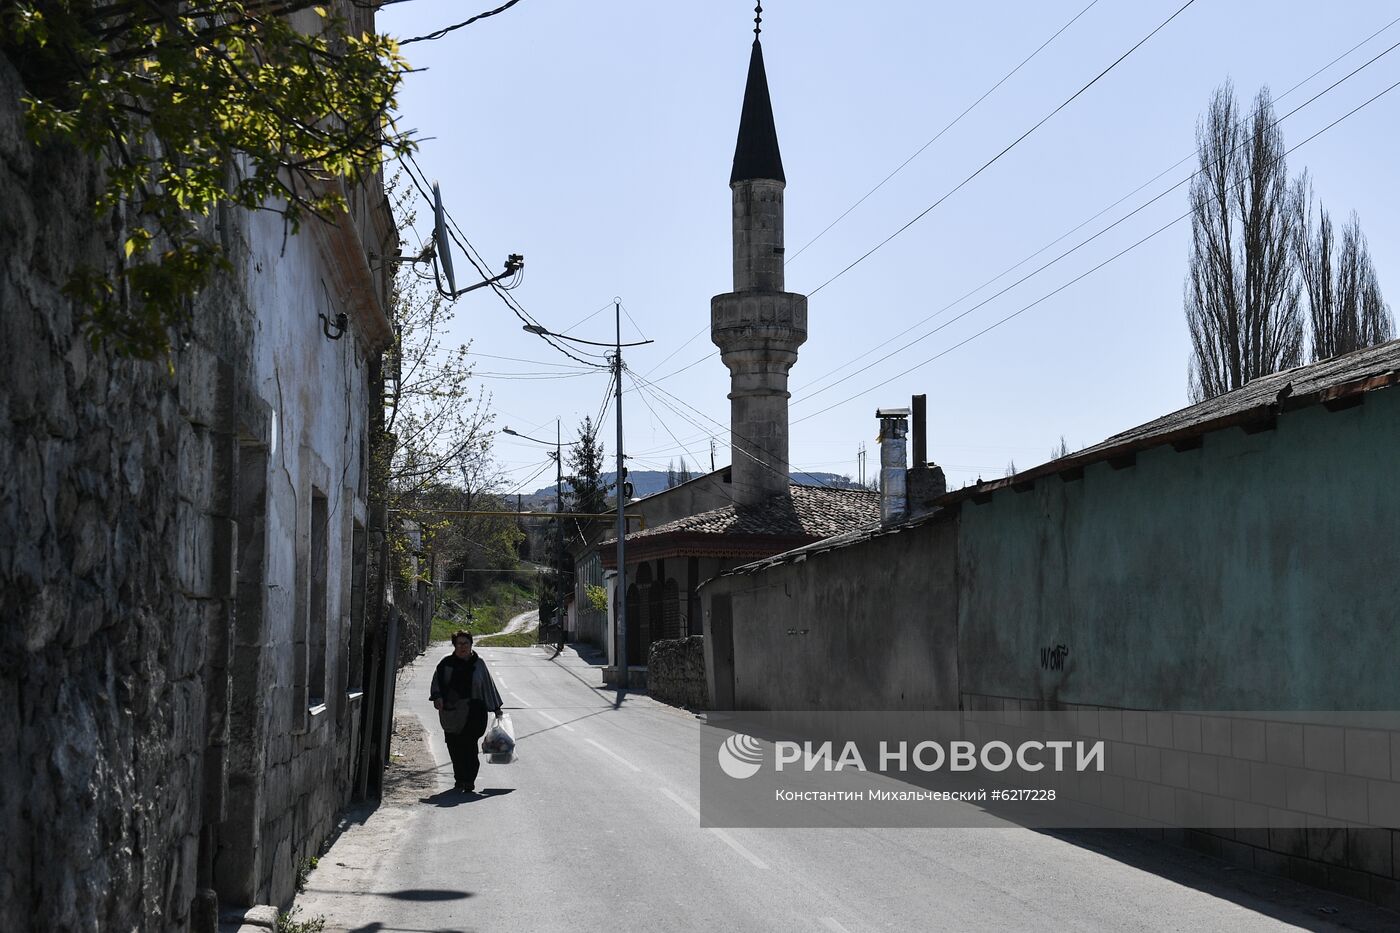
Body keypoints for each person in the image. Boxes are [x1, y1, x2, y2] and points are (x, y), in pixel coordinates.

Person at [429, 631, 503, 792]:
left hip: (475, 712)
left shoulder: (479, 664)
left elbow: (488, 686)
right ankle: (459, 779)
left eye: (466, 643)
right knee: (454, 746)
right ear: (454, 645)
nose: (462, 647)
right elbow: (437, 683)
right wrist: (437, 697)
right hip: (451, 713)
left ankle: (469, 780)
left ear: (471, 645)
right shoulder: (446, 664)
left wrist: (497, 708)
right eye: (459, 644)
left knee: (469, 746)